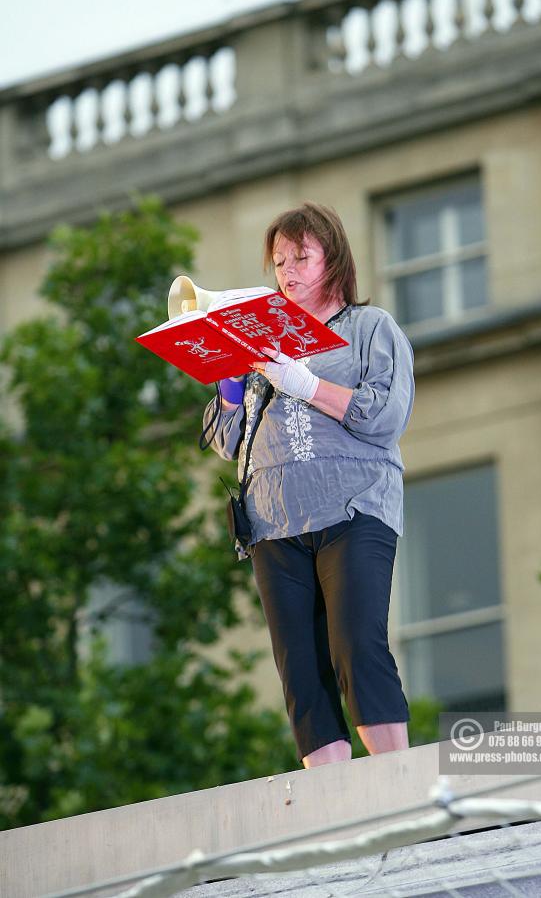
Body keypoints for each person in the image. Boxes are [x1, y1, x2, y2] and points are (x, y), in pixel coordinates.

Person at [202, 201, 415, 769]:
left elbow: (384, 416)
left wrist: (306, 382)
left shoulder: (372, 329)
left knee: (355, 644)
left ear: (334, 259)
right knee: (299, 666)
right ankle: (333, 801)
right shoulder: (262, 346)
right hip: (275, 524)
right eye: (279, 261)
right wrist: (228, 378)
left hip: (353, 510)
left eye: (301, 257)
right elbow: (228, 440)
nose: (288, 271)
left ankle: (399, 782)